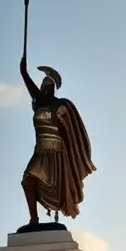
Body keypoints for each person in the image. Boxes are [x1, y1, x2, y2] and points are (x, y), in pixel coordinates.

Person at [18, 55, 95, 226]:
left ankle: (42, 216)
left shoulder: (60, 105)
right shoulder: (38, 105)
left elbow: (73, 130)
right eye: (43, 85)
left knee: (56, 187)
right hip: (39, 150)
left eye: (48, 86)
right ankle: (34, 220)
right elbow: (32, 91)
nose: (44, 88)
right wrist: (24, 73)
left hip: (56, 152)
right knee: (27, 181)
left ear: (53, 89)